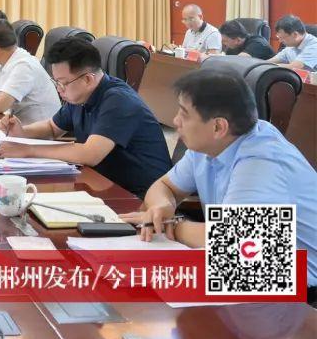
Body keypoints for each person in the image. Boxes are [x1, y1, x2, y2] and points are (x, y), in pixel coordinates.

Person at [121, 70, 316, 300]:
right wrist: (162, 206)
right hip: (244, 266)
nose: (175, 121)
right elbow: (165, 186)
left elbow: (236, 243)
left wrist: (171, 224)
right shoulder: (209, 145)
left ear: (218, 127)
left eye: (184, 114)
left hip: (297, 286)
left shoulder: (261, 161)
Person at [0, 37, 170, 197]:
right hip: (102, 182)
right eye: (56, 82)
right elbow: (52, 128)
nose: (58, 89)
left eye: (63, 83)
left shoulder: (119, 100)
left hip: (141, 197)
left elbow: (90, 153)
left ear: (88, 79)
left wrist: (28, 150)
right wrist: (22, 132)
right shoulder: (79, 96)